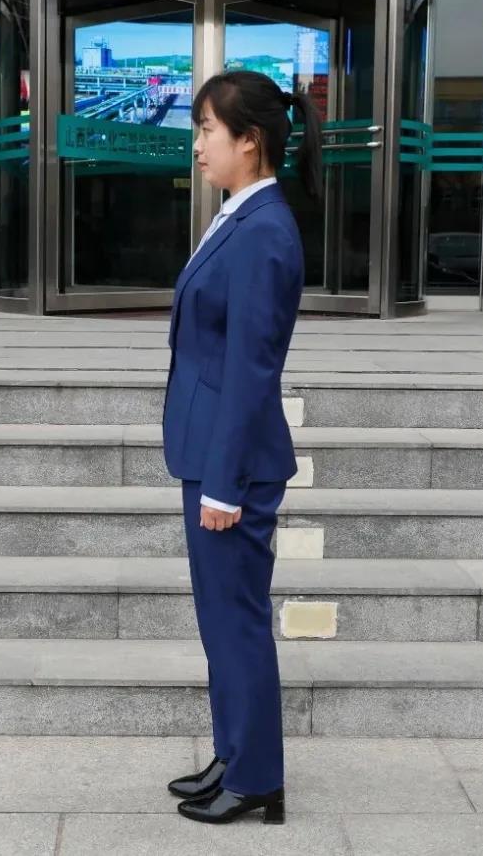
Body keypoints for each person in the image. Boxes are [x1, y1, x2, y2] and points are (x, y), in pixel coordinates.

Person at [161, 70, 322, 826]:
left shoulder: (262, 231)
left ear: (249, 140)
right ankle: (234, 752)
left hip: (234, 464)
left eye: (206, 131)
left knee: (237, 621)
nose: (197, 145)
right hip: (210, 451)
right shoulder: (239, 215)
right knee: (220, 620)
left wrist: (224, 482)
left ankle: (258, 776)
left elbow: (251, 367)